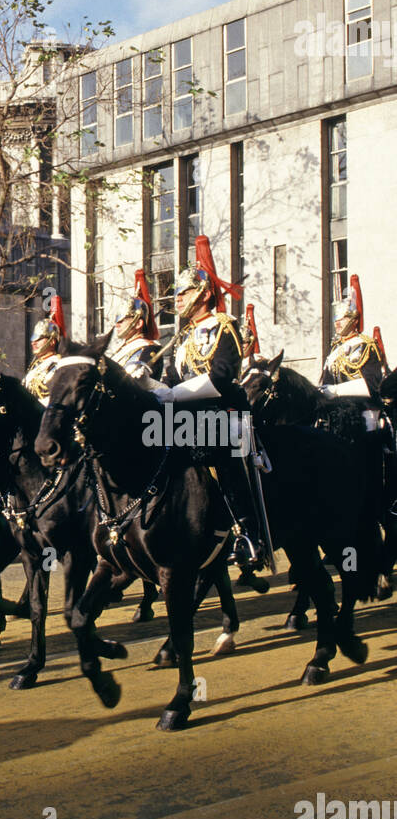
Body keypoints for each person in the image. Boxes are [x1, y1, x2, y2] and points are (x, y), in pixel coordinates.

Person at [154, 235, 266, 578]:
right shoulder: (181, 337)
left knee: (224, 453)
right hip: (185, 415)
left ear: (203, 293)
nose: (178, 299)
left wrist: (172, 396)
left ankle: (245, 533)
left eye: (184, 292)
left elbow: (221, 376)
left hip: (224, 412)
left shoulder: (225, 325)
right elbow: (171, 381)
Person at [321, 276, 387, 400]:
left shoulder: (366, 346)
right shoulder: (335, 348)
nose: (337, 323)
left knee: (369, 420)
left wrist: (336, 390)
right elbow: (327, 383)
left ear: (354, 320)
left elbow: (372, 384)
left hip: (364, 406)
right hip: (338, 407)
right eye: (336, 319)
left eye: (343, 318)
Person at [110, 269, 162, 378]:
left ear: (138, 324)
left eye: (121, 321)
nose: (117, 325)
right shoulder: (118, 351)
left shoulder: (149, 349)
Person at [24, 301, 65, 406]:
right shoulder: (35, 365)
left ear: (52, 341)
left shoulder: (57, 365)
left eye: (40, 339)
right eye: (34, 339)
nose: (34, 342)